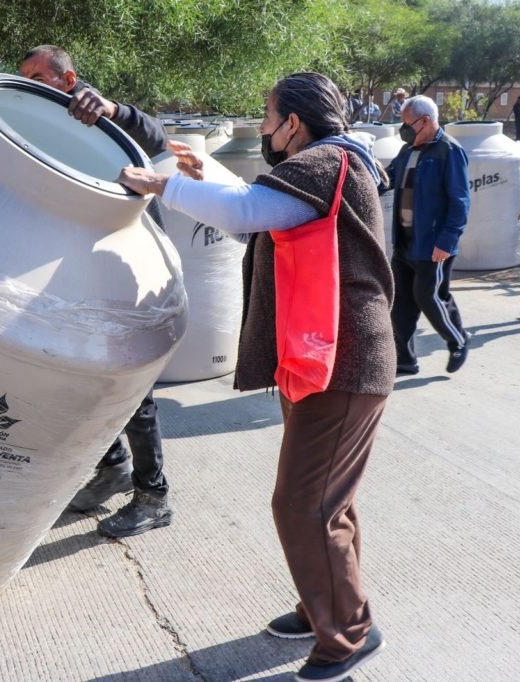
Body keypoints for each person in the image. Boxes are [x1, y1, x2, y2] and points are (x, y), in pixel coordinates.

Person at [118, 72, 393, 682]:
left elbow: (247, 210)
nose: (264, 128)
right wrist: (199, 175)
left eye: (268, 117)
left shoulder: (325, 164)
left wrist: (160, 184)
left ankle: (347, 635)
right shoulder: (327, 167)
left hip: (343, 363)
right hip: (325, 358)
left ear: (294, 122)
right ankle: (330, 606)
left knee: (303, 505)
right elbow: (251, 216)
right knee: (327, 504)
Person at [19, 45, 173, 538]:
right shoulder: (41, 132)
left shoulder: (105, 122)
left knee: (132, 392)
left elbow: (157, 140)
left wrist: (111, 110)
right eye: (24, 77)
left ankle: (154, 496)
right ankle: (113, 468)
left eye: (39, 75)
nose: (31, 84)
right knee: (81, 382)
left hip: (129, 276)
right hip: (80, 279)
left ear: (69, 80)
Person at [386, 95, 472, 375]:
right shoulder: (407, 150)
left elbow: (460, 202)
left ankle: (458, 341)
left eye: (406, 123)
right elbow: (387, 178)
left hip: (432, 243)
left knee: (429, 296)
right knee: (402, 302)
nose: (403, 129)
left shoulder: (449, 151)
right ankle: (405, 359)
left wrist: (447, 241)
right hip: (405, 241)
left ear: (425, 121)